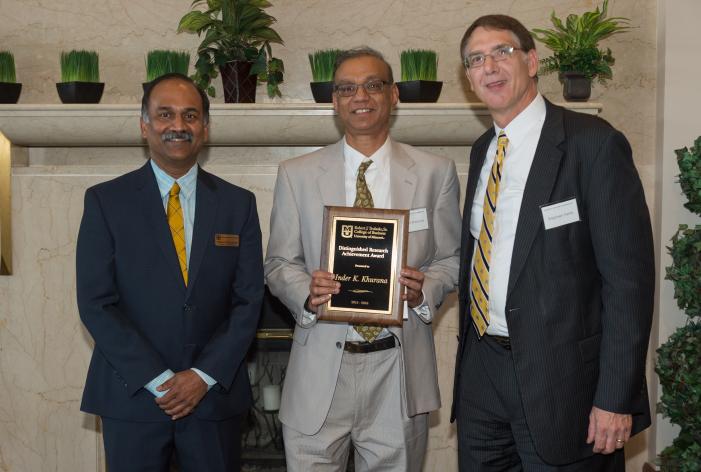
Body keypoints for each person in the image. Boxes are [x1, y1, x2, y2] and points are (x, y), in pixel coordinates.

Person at [451, 14, 655, 471]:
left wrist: (615, 397)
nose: (490, 67)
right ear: (469, 78)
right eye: (476, 59)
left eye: (502, 52)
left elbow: (628, 283)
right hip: (483, 375)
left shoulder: (593, 145)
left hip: (566, 386)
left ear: (531, 60)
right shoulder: (483, 150)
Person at [264, 47, 461, 471]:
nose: (361, 96)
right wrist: (308, 292)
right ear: (334, 101)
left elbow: (452, 257)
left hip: (399, 366)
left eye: (373, 85)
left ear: (393, 95)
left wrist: (424, 289)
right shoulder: (296, 174)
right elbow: (279, 263)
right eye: (347, 88)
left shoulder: (434, 172)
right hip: (319, 368)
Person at [76, 73, 264, 472]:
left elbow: (249, 301)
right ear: (145, 125)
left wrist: (202, 375)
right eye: (165, 114)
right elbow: (96, 303)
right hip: (133, 397)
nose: (178, 126)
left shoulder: (238, 205)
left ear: (205, 129)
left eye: (190, 115)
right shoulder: (105, 202)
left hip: (213, 399)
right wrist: (159, 378)